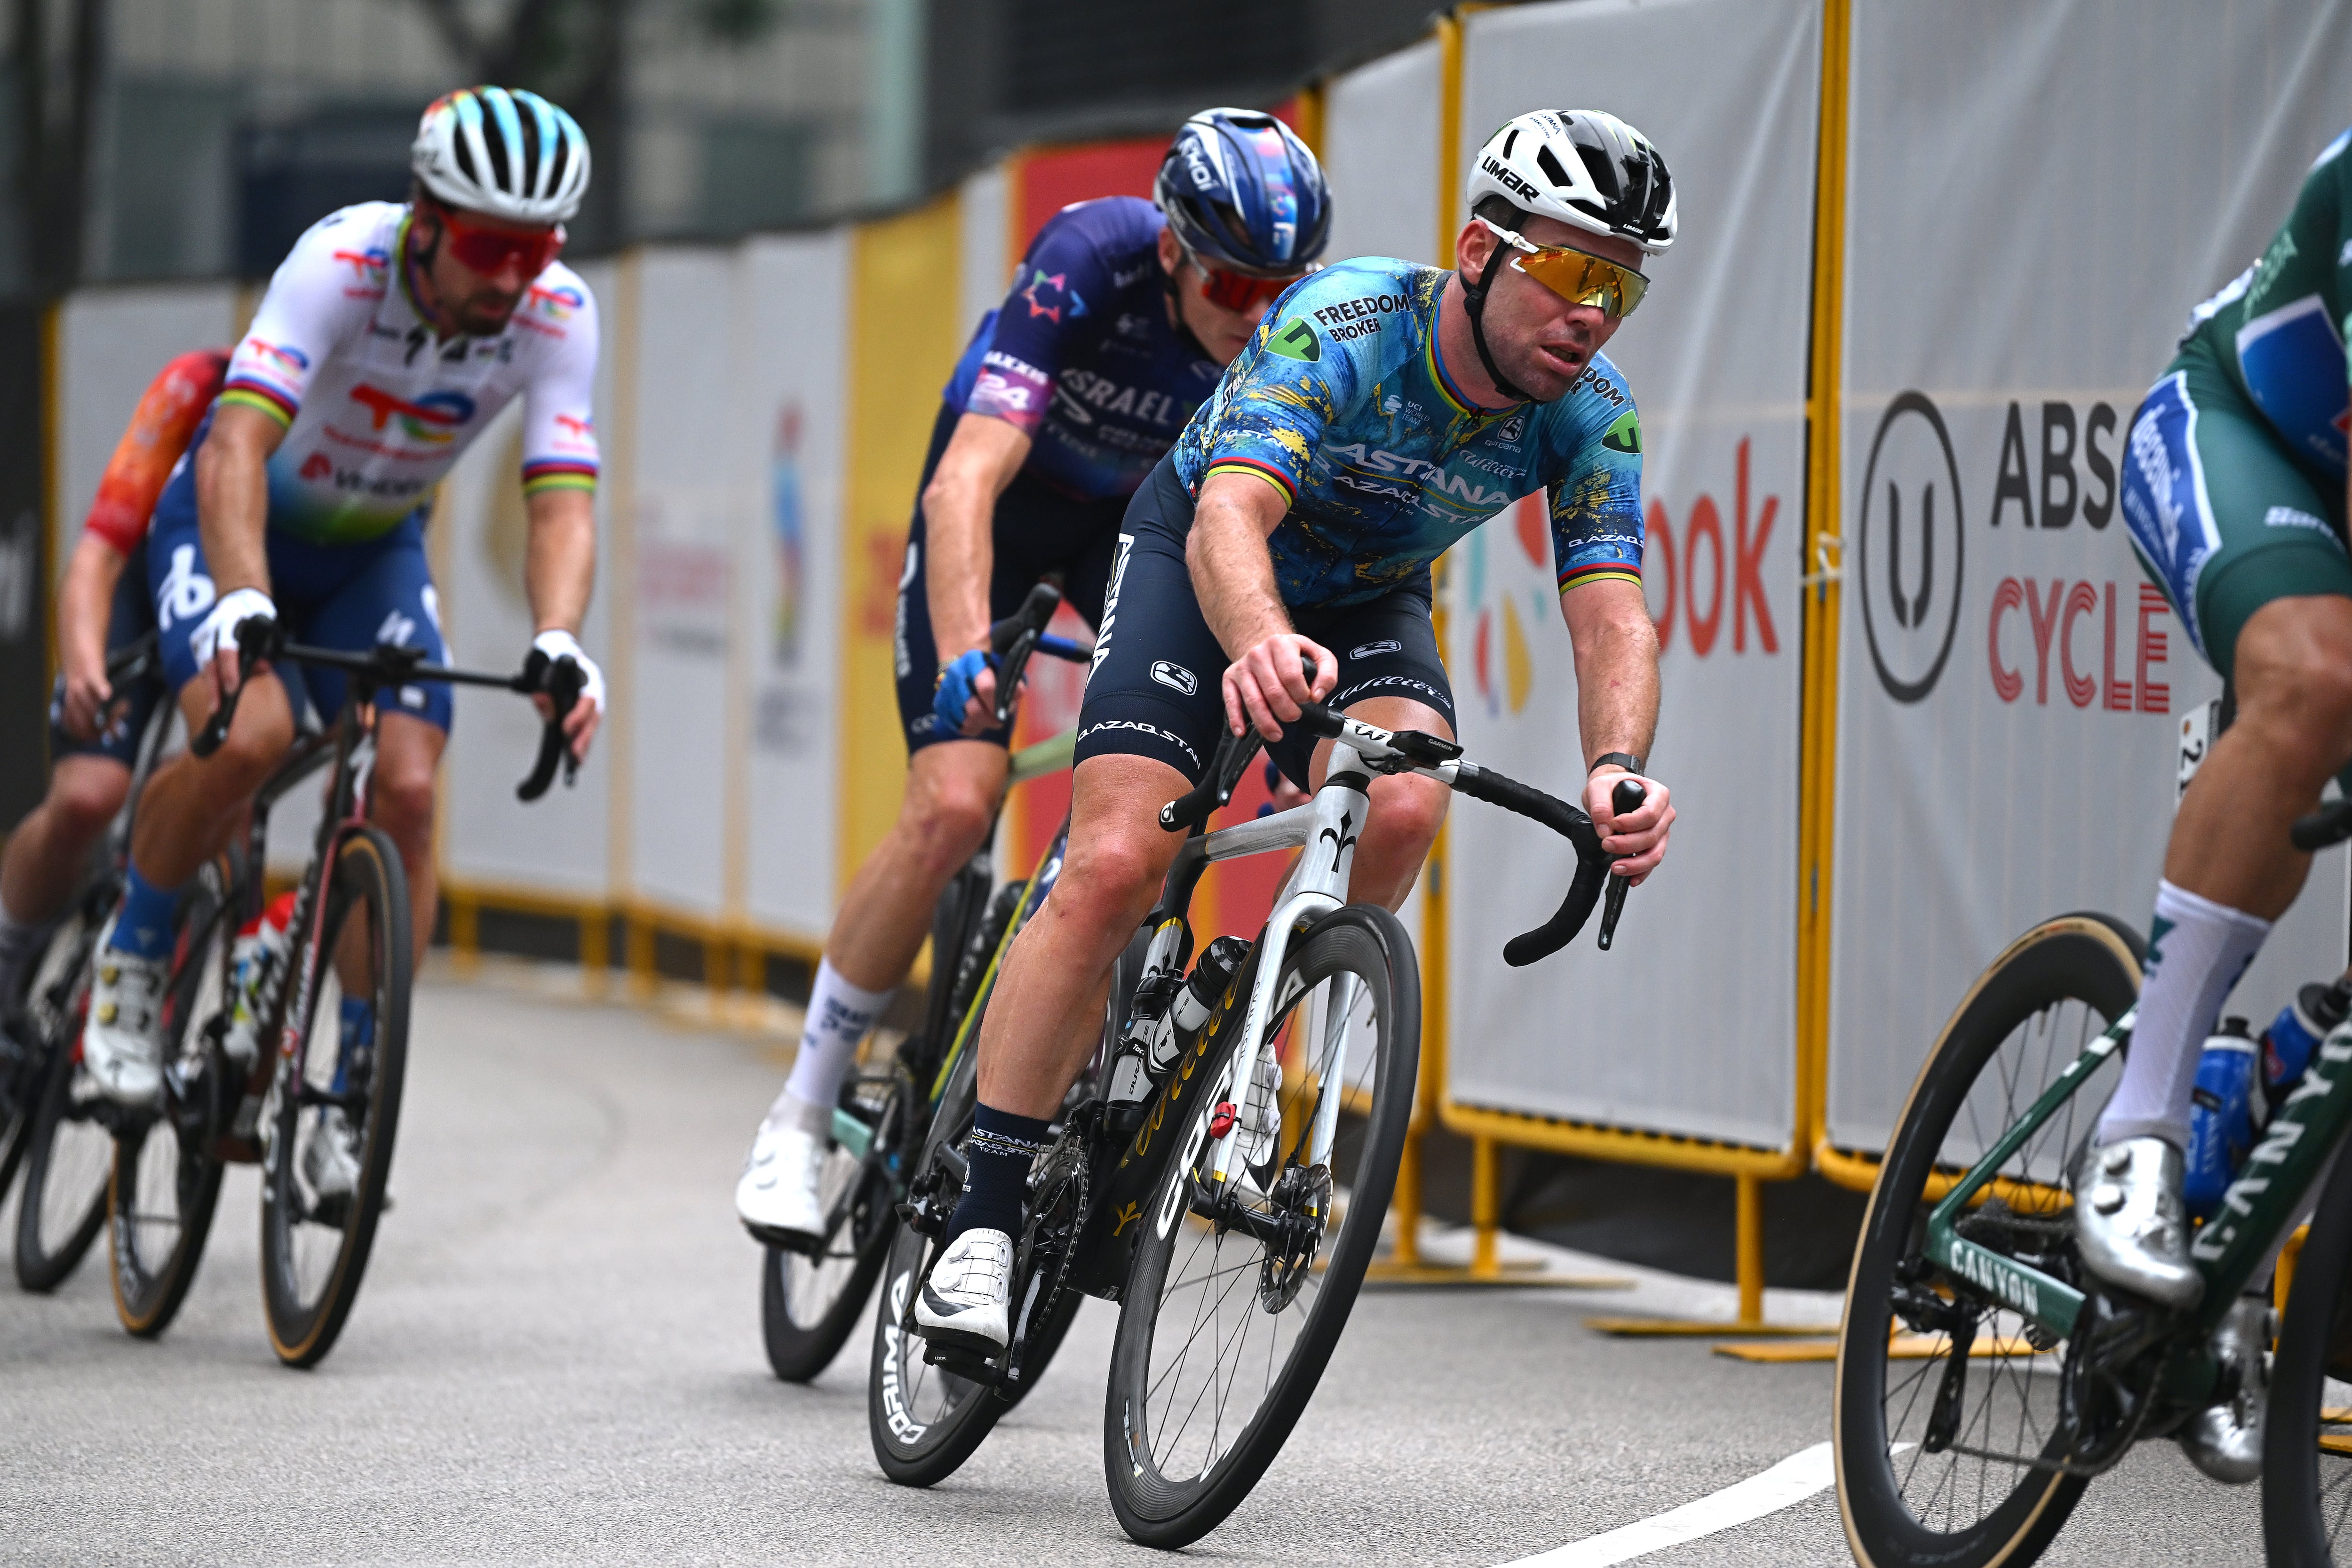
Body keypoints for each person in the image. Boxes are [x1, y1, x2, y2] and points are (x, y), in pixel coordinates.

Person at [911, 110, 1681, 1352]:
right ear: (1481, 252)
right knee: (1117, 861)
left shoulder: (1590, 408)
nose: (1593, 313)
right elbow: (1229, 516)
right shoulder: (1349, 320)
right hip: (1207, 551)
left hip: (1368, 591)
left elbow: (1612, 620)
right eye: (1573, 271)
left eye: (1622, 288)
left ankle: (1250, 1038)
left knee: (1407, 800)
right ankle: (981, 1217)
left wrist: (1617, 768)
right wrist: (1260, 637)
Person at [733, 109, 1333, 1245]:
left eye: (1277, 289)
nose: (1253, 316)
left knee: (1144, 819)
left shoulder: (1284, 330)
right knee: (957, 801)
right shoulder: (1087, 261)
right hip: (1009, 515)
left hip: (1134, 533)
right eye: (1230, 287)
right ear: (1171, 248)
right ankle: (799, 1113)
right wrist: (968, 651)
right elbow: (964, 482)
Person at [77, 83, 608, 1212]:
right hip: (240, 522)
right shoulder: (340, 264)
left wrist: (561, 636)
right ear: (424, 216)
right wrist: (241, 595)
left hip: (373, 551)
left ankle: (343, 1094)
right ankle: (131, 958)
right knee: (254, 730)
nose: (513, 278)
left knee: (409, 787)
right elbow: (232, 446)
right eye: (487, 247)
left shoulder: (557, 312)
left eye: (539, 249)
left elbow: (561, 502)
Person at [2083, 120, 2352, 1475]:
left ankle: (2271, 1095)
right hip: (2250, 417)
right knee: (2314, 677)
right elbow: (2298, 354)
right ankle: (2143, 1116)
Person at [0, 348, 230, 1009]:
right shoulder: (199, 384)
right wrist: (83, 670)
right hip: (141, 587)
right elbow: (98, 554)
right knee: (86, 798)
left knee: (234, 771)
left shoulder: (393, 418)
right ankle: (11, 950)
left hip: (249, 615)